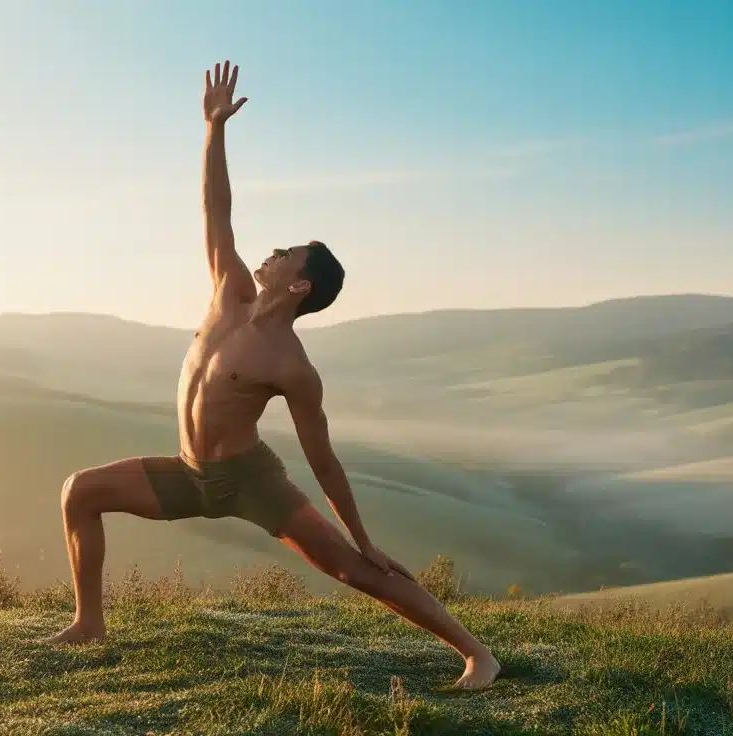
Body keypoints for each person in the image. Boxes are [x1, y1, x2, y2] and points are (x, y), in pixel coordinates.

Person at [46, 60, 501, 690]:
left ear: (300, 284)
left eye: (286, 252)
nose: (273, 250)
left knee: (352, 570)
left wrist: (362, 536)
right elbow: (216, 210)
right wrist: (214, 130)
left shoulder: (292, 366)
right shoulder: (226, 292)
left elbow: (325, 462)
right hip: (187, 472)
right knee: (80, 493)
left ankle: (477, 653)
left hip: (248, 482)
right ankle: (89, 622)